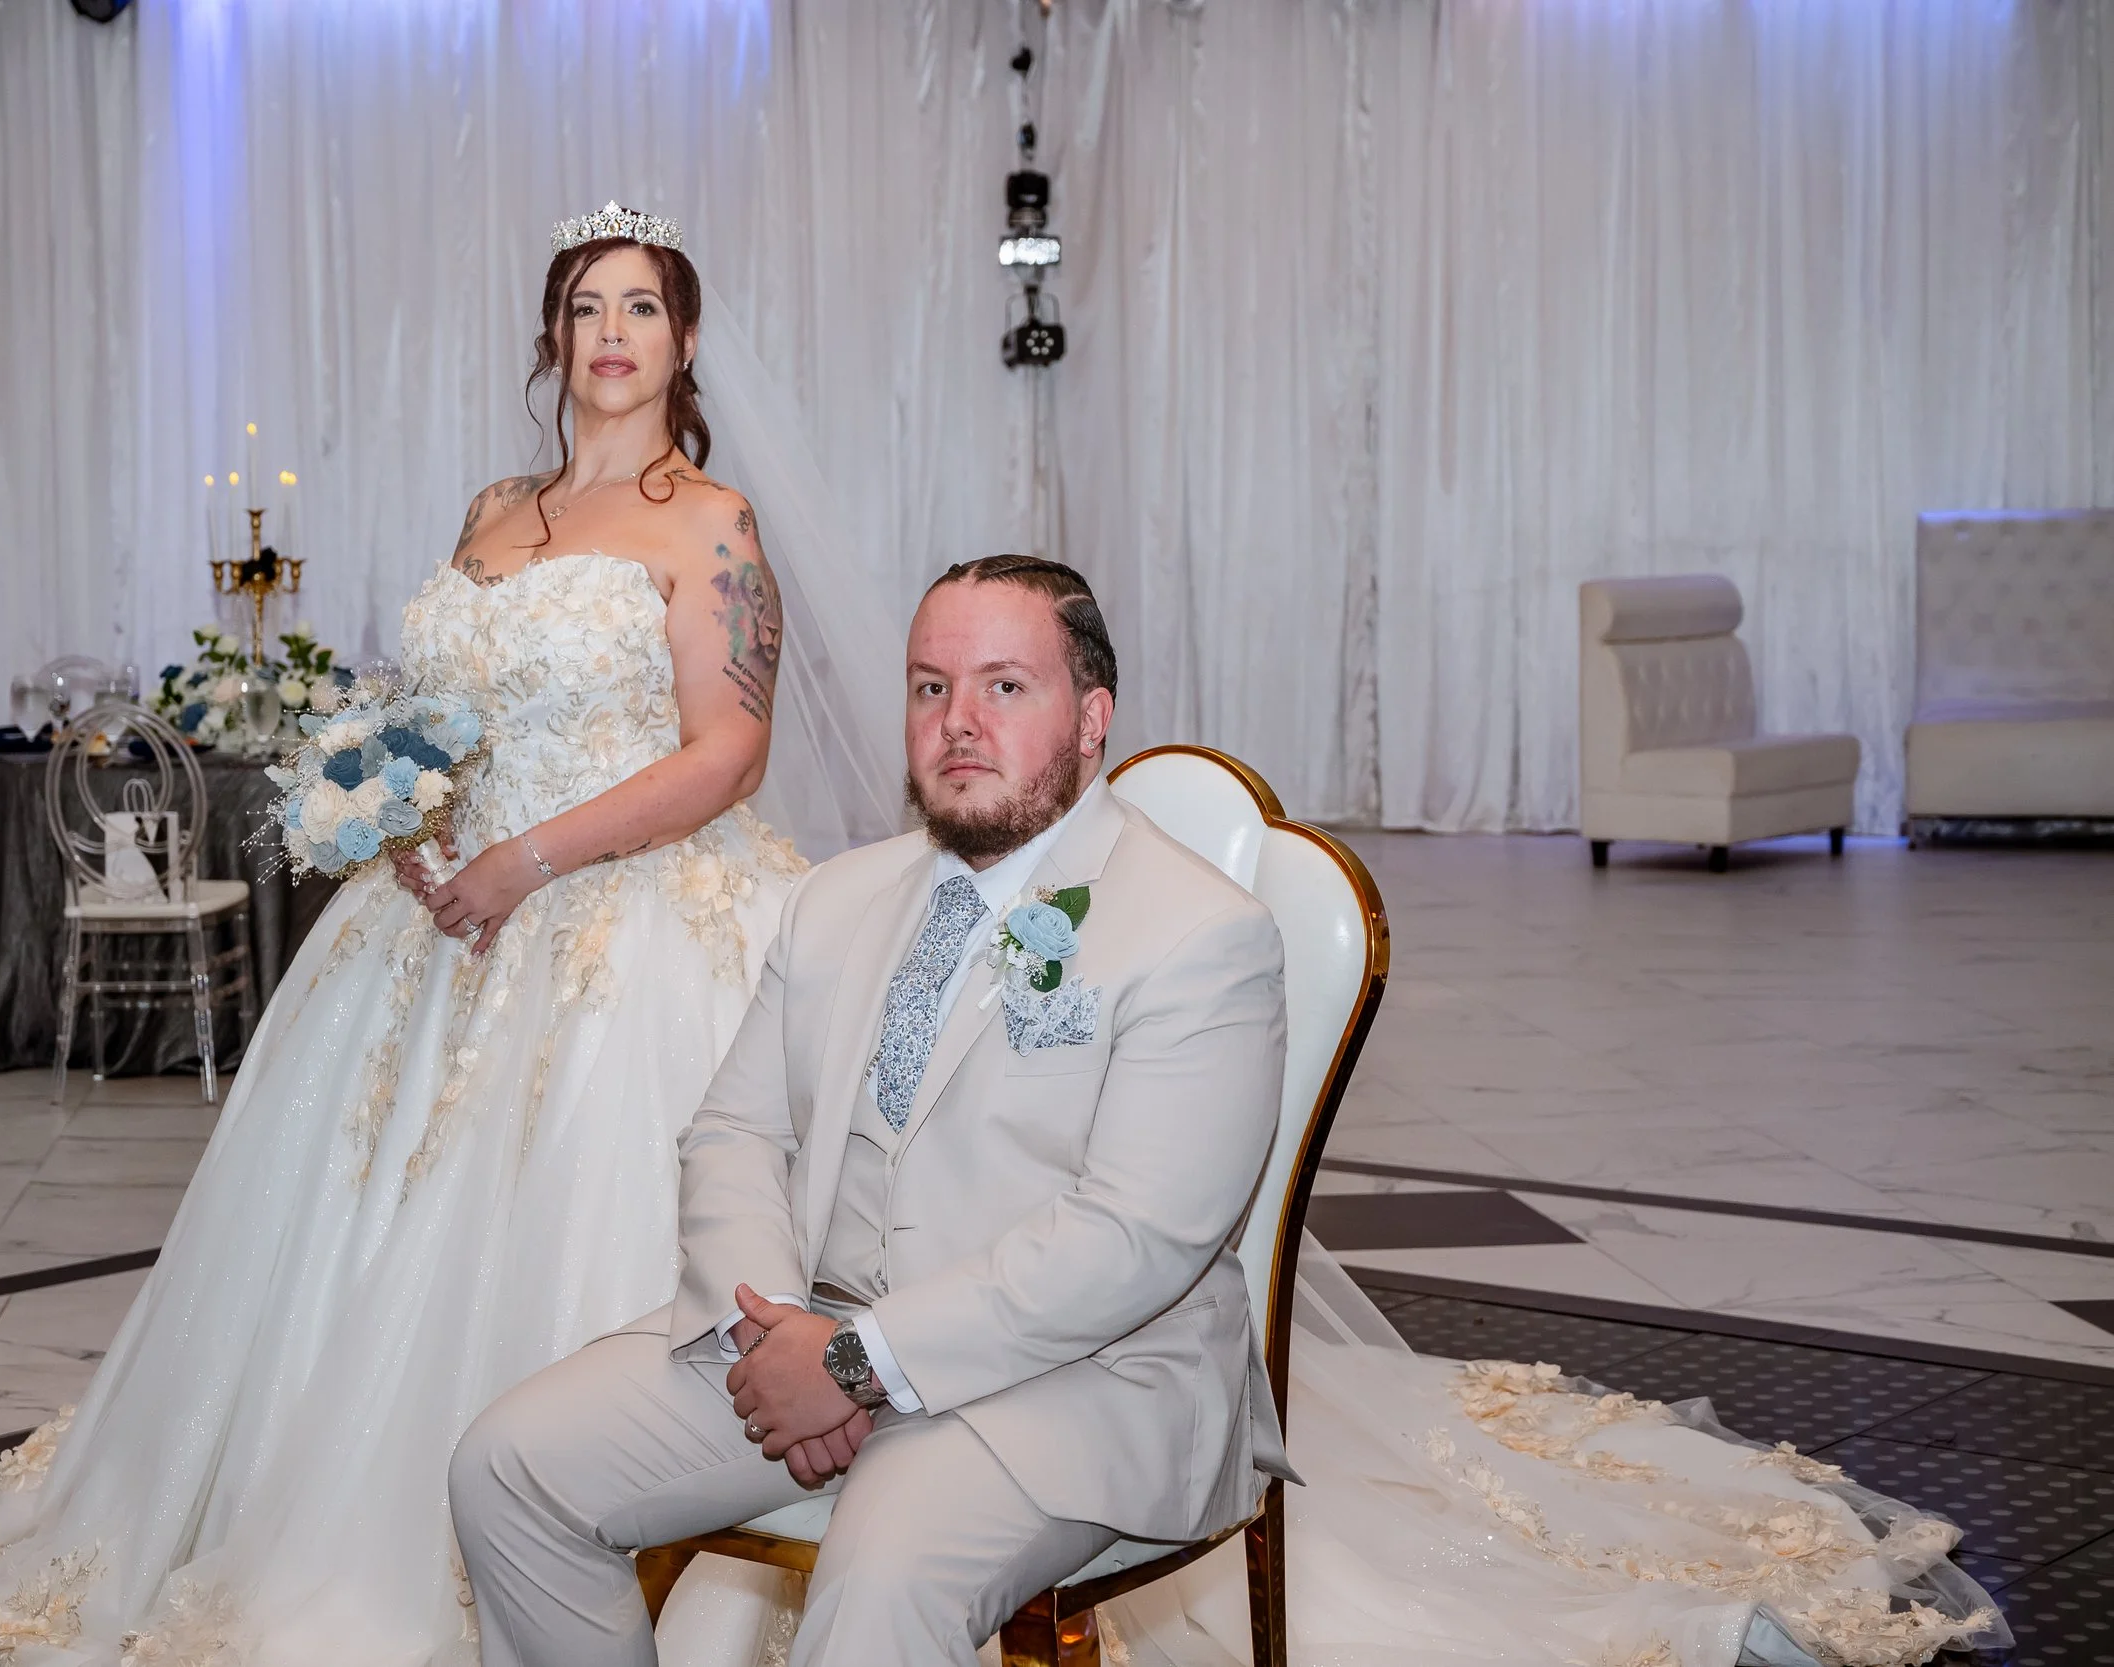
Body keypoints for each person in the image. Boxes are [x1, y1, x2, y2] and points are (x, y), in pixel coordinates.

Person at [452, 556, 2008, 1667]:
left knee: (879, 1580)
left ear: (1092, 716)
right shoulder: (838, 900)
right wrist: (778, 1330)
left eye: (1008, 685)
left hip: (1085, 1380)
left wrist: (862, 1361)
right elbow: (729, 1134)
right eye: (934, 687)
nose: (960, 722)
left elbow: (1131, 1241)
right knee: (508, 1465)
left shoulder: (1195, 931)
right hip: (810, 1333)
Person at [0, 204, 821, 1667]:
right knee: (348, 1250)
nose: (612, 333)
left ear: (684, 341)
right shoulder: (496, 509)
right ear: (552, 339)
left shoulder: (707, 522)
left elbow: (727, 750)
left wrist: (526, 859)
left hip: (620, 918)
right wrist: (400, 809)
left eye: (642, 308)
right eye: (586, 308)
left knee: (550, 1237)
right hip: (430, 922)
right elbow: (444, 714)